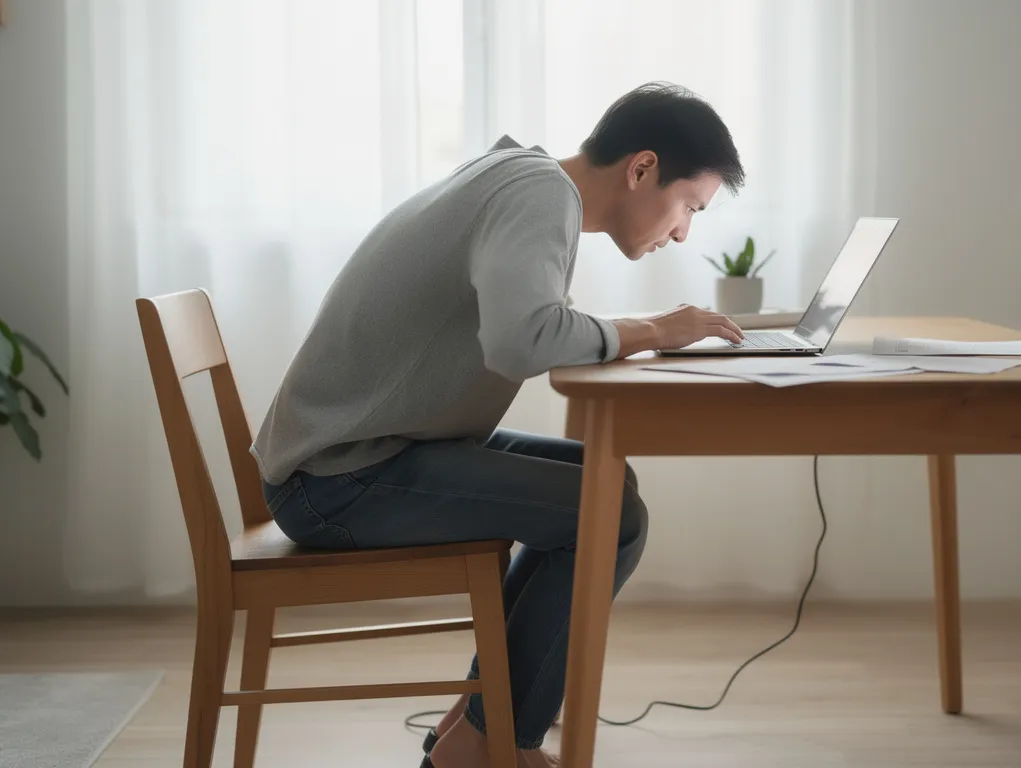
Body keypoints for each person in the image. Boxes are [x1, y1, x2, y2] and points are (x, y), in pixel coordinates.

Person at [250, 82, 745, 768]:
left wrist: (644, 334)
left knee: (604, 481)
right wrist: (656, 328)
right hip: (340, 478)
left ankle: (471, 731)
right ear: (641, 169)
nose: (685, 231)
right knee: (608, 514)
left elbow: (527, 328)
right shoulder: (539, 195)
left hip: (355, 457)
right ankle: (492, 746)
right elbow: (522, 340)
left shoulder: (523, 177)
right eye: (689, 205)